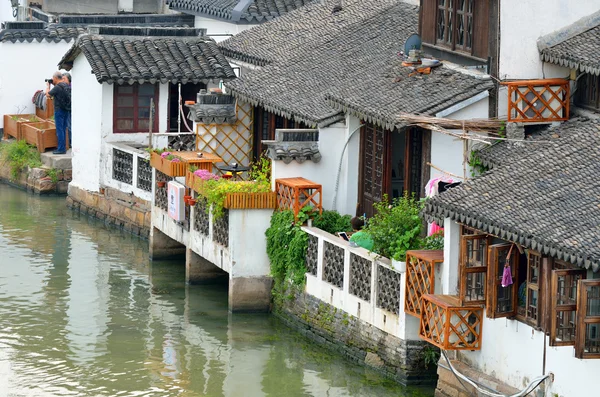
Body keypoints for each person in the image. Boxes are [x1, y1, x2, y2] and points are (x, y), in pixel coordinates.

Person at [45, 71, 71, 154]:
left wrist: (47, 86)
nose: (52, 80)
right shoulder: (66, 85)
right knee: (64, 129)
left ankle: (61, 149)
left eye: (53, 78)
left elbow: (48, 95)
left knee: (59, 130)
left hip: (59, 110)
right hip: (66, 110)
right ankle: (64, 147)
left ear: (55, 78)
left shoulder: (57, 87)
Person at [62, 72, 72, 149]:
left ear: (69, 79)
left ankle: (71, 142)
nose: (62, 80)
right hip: (67, 109)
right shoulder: (64, 87)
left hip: (70, 109)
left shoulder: (70, 88)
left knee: (69, 126)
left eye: (64, 79)